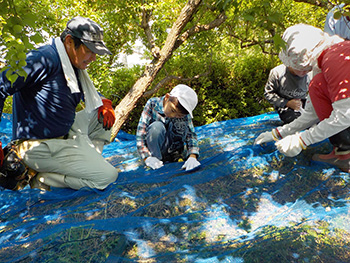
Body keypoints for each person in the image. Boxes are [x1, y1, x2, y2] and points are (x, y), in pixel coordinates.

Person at [0, 16, 118, 190]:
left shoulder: (73, 64)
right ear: (70, 41)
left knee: (100, 118)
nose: (93, 58)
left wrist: (104, 103)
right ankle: (45, 180)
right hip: (39, 145)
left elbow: (85, 93)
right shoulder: (43, 58)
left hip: (64, 134)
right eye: (90, 50)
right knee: (108, 177)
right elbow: (1, 84)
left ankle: (86, 163)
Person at [254, 24, 350, 173]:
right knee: (316, 84)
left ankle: (346, 154)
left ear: (305, 54)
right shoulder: (321, 63)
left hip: (346, 114)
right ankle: (343, 152)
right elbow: (311, 114)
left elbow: (345, 115)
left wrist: (303, 140)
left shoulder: (336, 58)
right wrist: (277, 133)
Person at [136, 84, 201, 171]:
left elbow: (191, 134)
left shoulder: (185, 114)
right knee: (156, 127)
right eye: (173, 110)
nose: (174, 115)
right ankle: (157, 161)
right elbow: (141, 132)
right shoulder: (152, 104)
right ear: (167, 97)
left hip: (174, 148)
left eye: (179, 115)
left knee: (181, 122)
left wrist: (192, 156)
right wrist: (147, 158)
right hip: (157, 148)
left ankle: (175, 155)